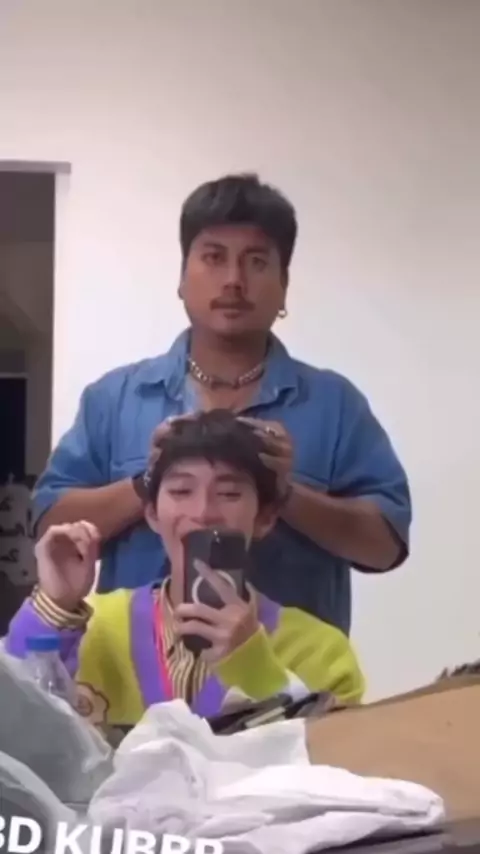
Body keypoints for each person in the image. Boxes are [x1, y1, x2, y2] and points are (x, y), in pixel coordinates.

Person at [32, 173, 411, 635]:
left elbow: (385, 547)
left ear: (284, 285)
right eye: (213, 257)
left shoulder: (335, 405)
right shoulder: (114, 399)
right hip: (135, 671)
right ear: (181, 277)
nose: (233, 280)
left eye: (256, 261)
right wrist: (147, 482)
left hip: (292, 672)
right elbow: (52, 528)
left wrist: (284, 493)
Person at [6, 412, 364, 727]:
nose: (203, 512)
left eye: (229, 494)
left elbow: (329, 764)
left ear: (265, 518)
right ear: (151, 514)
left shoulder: (322, 653)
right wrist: (54, 605)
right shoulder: (93, 625)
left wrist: (253, 666)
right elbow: (12, 723)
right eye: (180, 491)